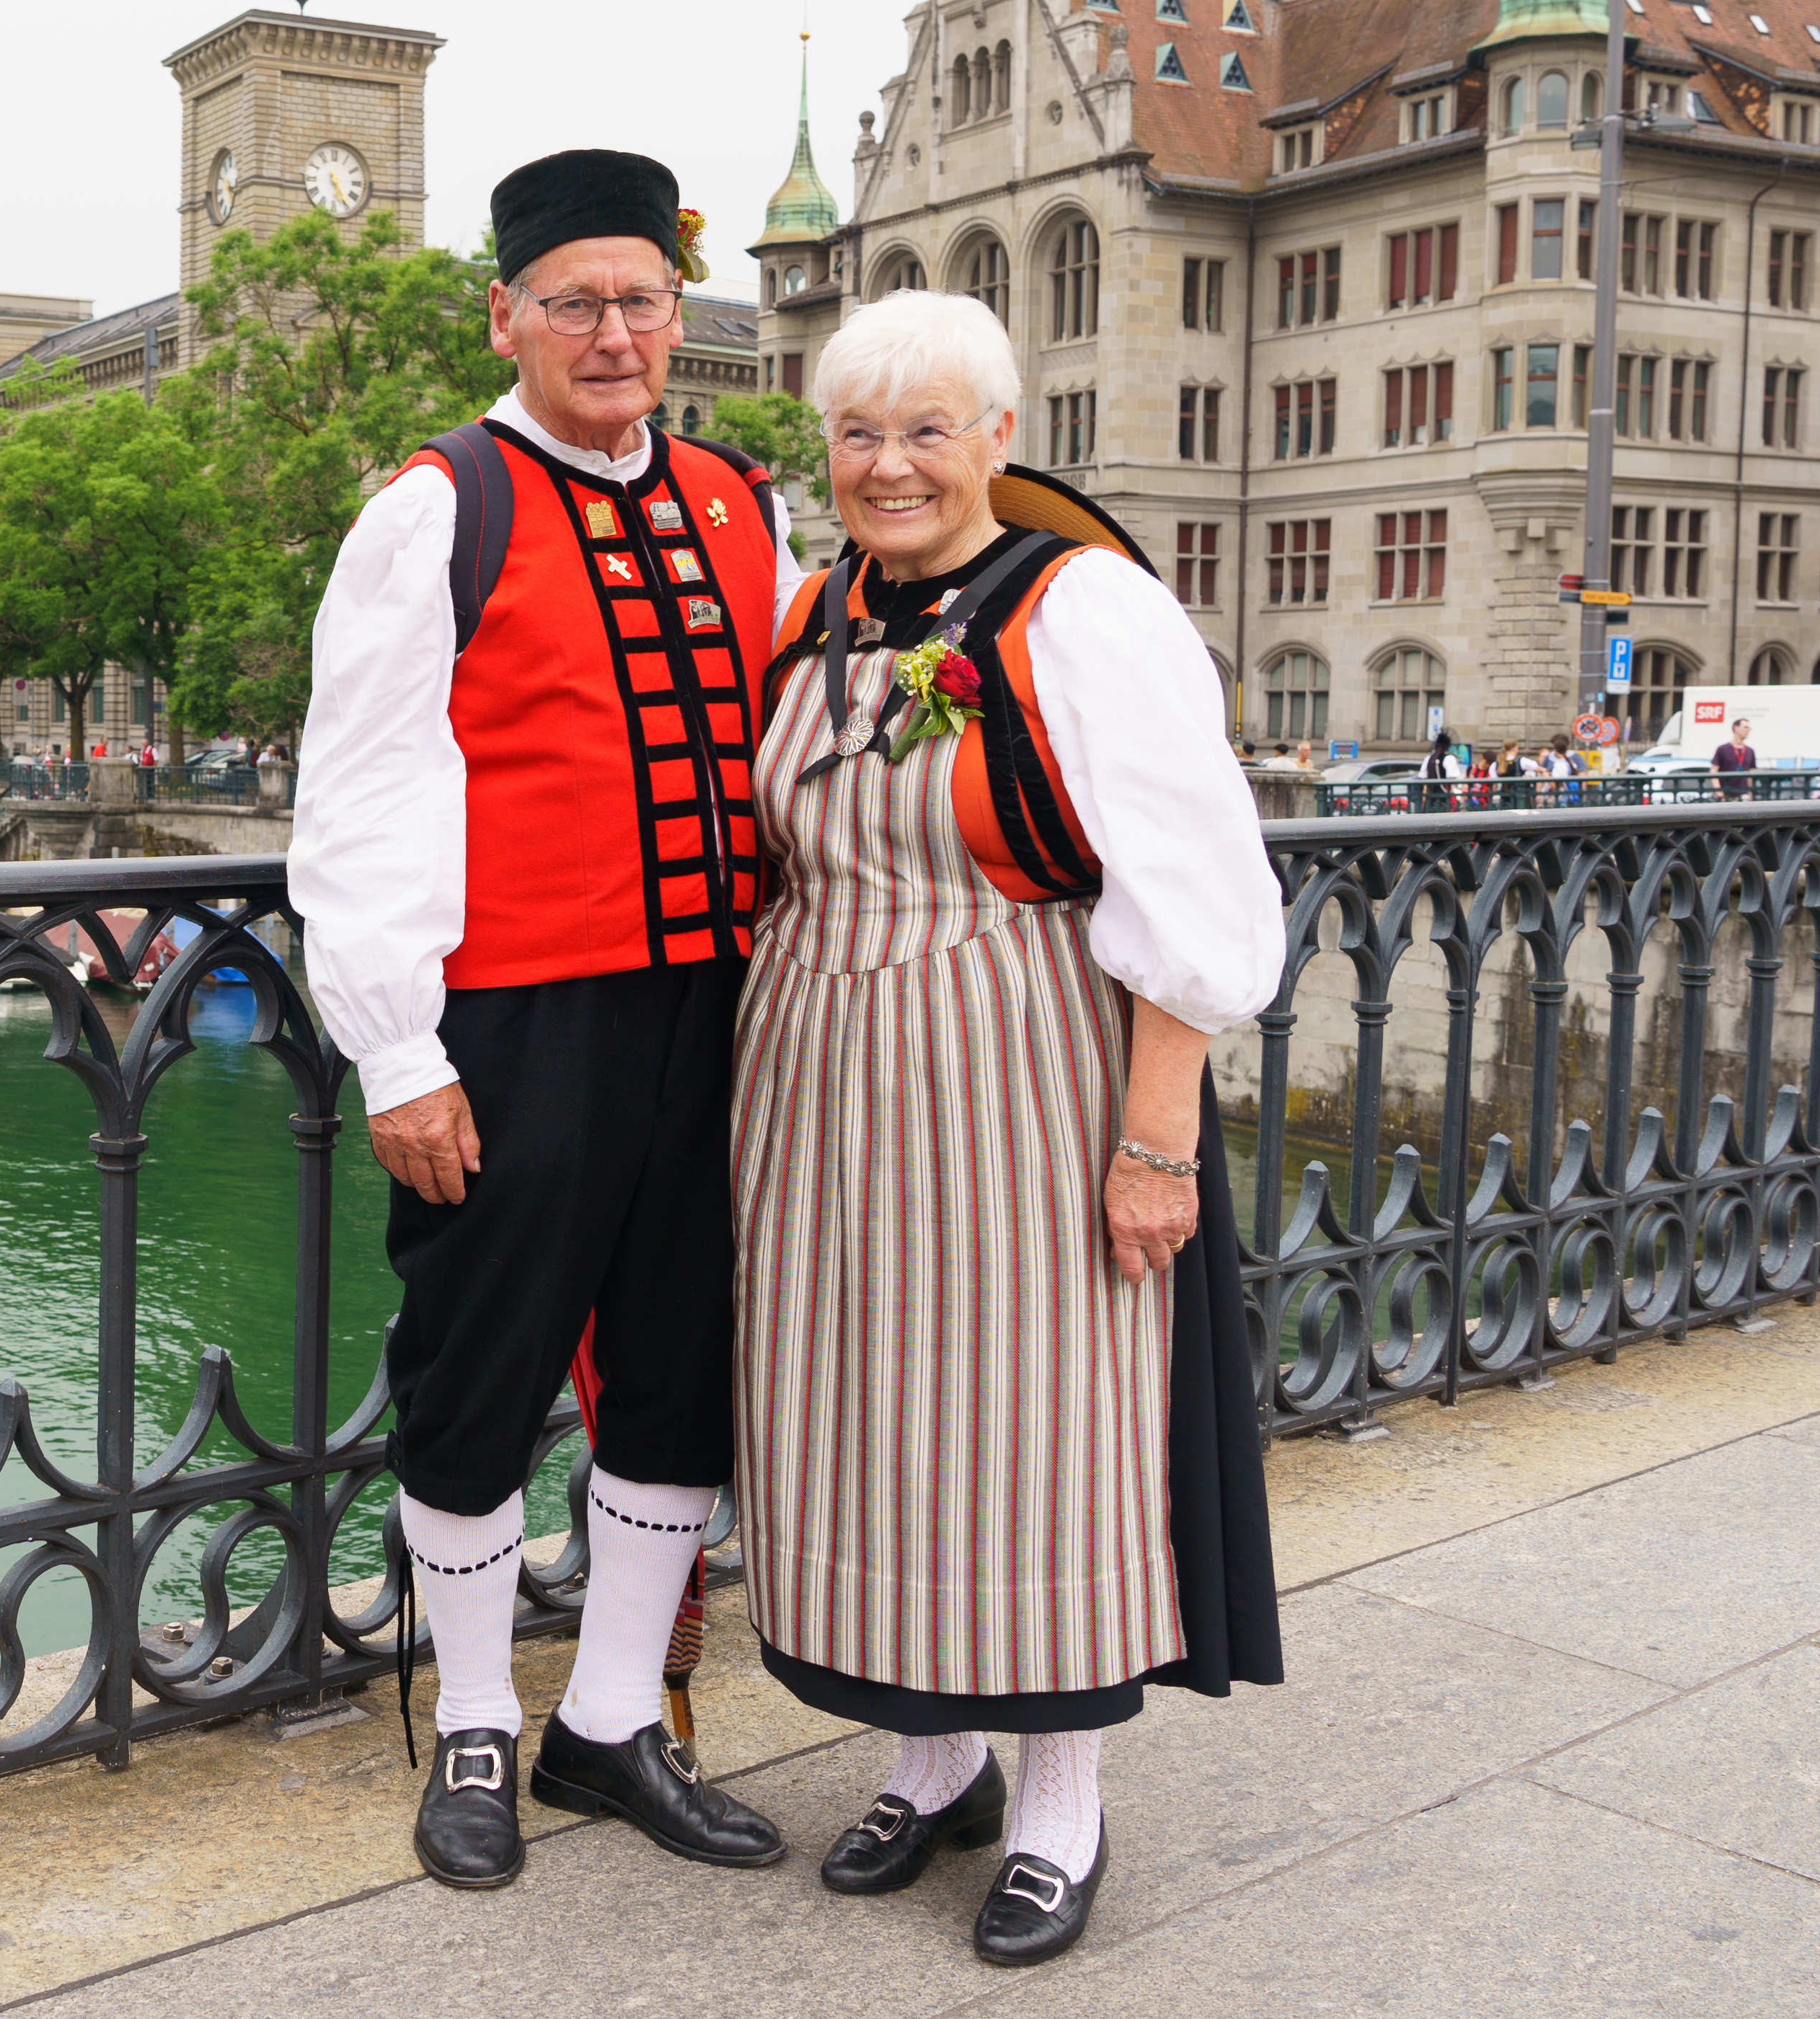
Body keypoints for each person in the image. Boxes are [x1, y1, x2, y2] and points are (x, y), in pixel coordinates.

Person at [733, 290, 1286, 1968]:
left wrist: (1155, 1141)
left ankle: (1059, 1801)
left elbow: (1194, 891)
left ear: (1000, 438)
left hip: (1019, 1062)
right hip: (822, 1083)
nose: (889, 464)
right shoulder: (817, 611)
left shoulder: (1084, 607)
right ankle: (933, 1759)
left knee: (1037, 1428)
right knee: (868, 1425)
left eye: (925, 429)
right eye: (857, 432)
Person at [292, 147, 802, 1893]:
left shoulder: (749, 502)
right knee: (479, 1383)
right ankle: (473, 1728)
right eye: (574, 301)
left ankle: (607, 1724)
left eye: (640, 298)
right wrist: (396, 1051)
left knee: (677, 1379)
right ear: (508, 314)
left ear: (679, 312)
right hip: (508, 1024)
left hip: (712, 1020)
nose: (611, 330)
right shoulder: (440, 506)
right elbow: (352, 801)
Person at [1713, 716, 1759, 800]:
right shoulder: (1722, 749)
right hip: (1726, 795)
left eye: (1749, 728)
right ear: (1736, 728)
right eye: (1745, 727)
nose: (1748, 730)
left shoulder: (1750, 751)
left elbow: (1751, 774)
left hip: (1744, 796)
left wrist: (1750, 792)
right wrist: (1718, 790)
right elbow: (1714, 771)